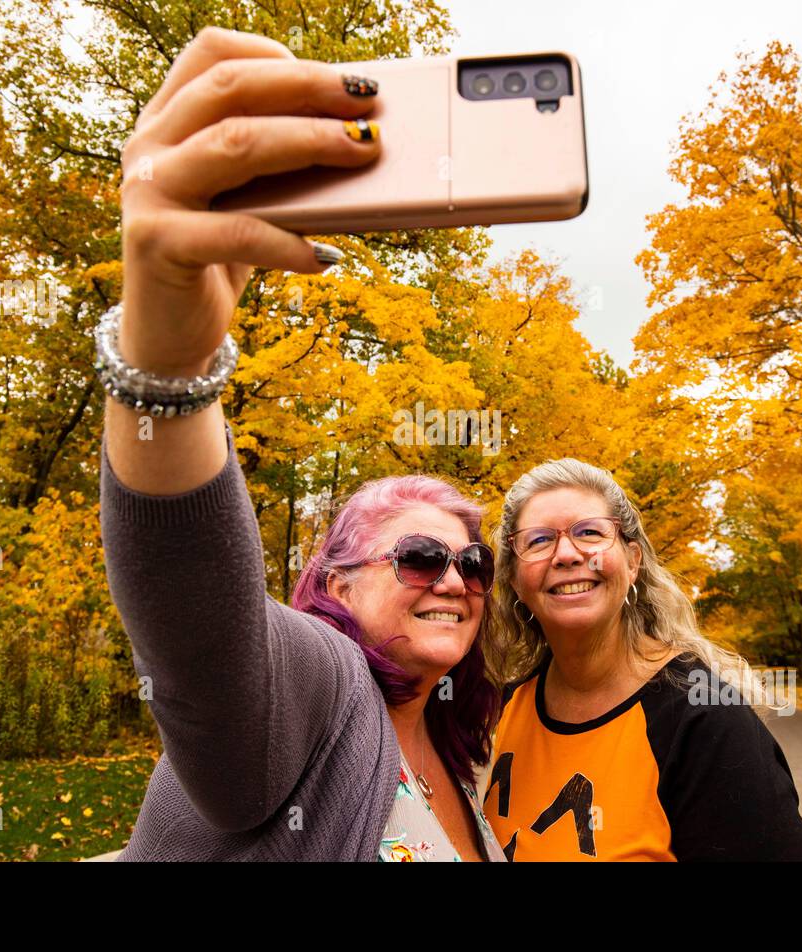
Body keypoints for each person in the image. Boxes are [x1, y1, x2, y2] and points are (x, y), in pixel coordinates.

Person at [99, 27, 506, 861]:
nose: (457, 580)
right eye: (422, 557)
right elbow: (199, 629)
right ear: (337, 584)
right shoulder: (313, 692)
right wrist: (167, 364)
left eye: (474, 563)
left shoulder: (462, 756)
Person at [482, 458, 802, 861]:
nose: (566, 554)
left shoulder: (707, 722)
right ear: (515, 580)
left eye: (590, 532)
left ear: (633, 561)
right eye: (539, 540)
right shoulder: (510, 707)